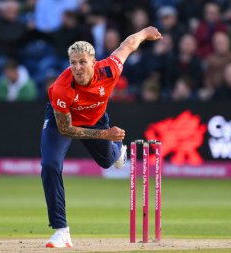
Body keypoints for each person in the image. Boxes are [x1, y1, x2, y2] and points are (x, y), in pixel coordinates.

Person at [41, 26, 162, 248]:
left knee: (108, 162)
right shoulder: (61, 88)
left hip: (95, 119)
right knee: (50, 165)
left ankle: (119, 150)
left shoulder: (109, 69)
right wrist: (105, 134)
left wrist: (144, 33)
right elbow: (66, 129)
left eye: (82, 62)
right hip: (64, 120)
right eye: (73, 63)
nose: (77, 68)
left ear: (94, 62)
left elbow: (127, 46)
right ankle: (61, 231)